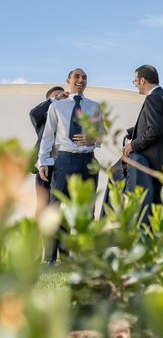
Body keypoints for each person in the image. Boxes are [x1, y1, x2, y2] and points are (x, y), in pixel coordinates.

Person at [38, 68, 104, 263]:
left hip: (88, 160)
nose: (81, 80)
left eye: (84, 77)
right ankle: (51, 259)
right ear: (68, 80)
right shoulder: (57, 106)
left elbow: (102, 134)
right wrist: (43, 161)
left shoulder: (94, 106)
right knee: (56, 209)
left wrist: (92, 138)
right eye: (77, 76)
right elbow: (48, 136)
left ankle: (86, 258)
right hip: (64, 161)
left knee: (88, 210)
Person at [123, 65, 163, 224]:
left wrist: (132, 145)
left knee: (150, 212)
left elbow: (155, 130)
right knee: (159, 211)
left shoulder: (152, 98)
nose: (135, 85)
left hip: (153, 164)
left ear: (142, 80)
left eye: (135, 81)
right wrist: (135, 130)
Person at [29, 85, 66, 218]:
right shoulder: (42, 119)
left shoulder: (68, 117)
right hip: (45, 166)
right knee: (42, 206)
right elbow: (33, 113)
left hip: (64, 164)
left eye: (63, 95)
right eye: (57, 96)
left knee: (60, 206)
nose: (61, 98)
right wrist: (54, 100)